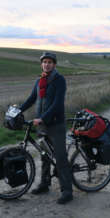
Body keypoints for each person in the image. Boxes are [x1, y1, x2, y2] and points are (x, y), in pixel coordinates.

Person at [19, 52, 73, 204]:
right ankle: (44, 184)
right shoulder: (39, 81)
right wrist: (18, 111)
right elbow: (31, 99)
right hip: (42, 125)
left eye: (50, 62)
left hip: (56, 124)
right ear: (41, 64)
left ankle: (67, 191)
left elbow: (57, 104)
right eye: (44, 62)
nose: (47, 64)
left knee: (60, 158)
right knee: (45, 156)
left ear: (54, 64)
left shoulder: (59, 80)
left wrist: (43, 118)